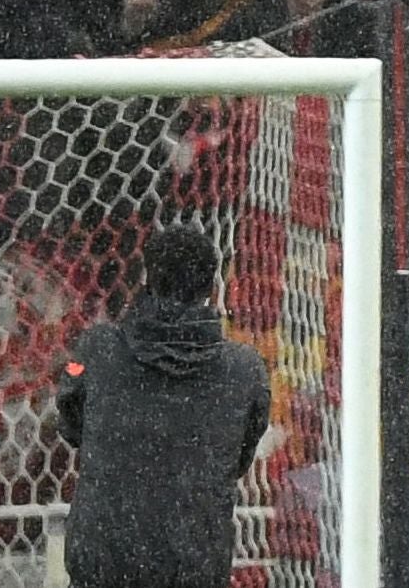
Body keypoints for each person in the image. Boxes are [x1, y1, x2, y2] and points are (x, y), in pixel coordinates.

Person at [55, 229, 273, 588]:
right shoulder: (242, 369)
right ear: (210, 286)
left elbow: (71, 424)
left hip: (106, 559)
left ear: (147, 277)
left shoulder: (98, 350)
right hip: (193, 561)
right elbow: (239, 456)